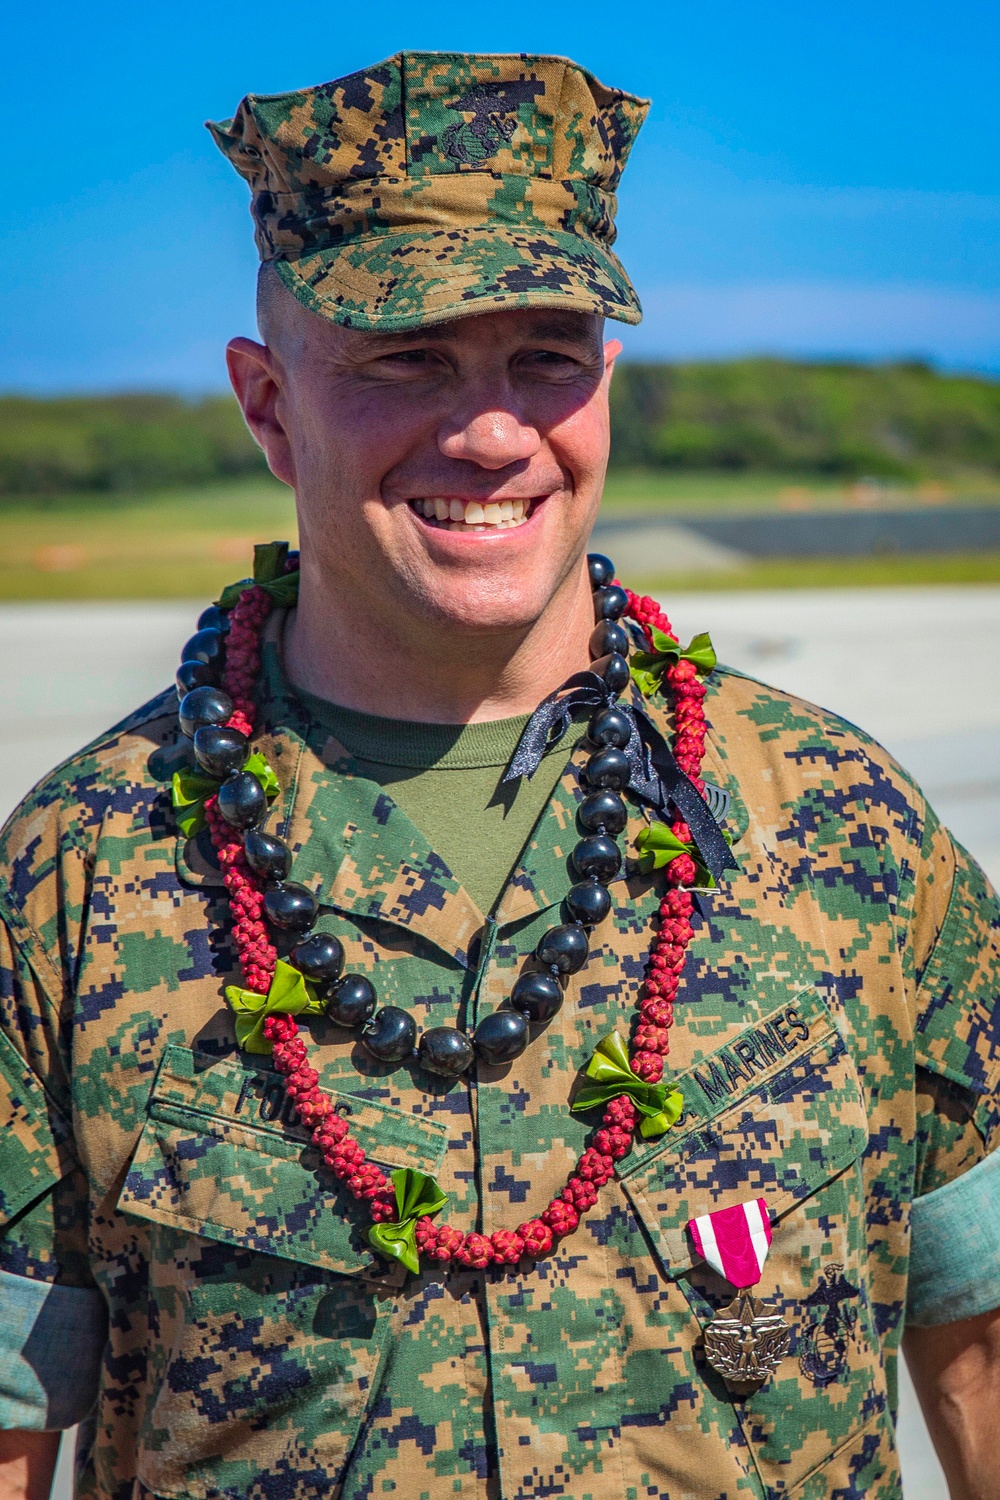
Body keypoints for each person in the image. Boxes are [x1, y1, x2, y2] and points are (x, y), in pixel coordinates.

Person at [1, 50, 998, 1500]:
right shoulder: (81, 876)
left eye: (548, 355)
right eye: (406, 359)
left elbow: (978, 1347)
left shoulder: (841, 828)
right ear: (269, 406)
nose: (489, 431)